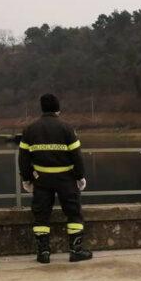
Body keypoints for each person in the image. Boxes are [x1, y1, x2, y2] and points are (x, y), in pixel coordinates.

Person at [18, 93, 91, 264]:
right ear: (58, 108)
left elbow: (23, 158)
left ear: (42, 108)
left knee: (41, 215)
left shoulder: (30, 129)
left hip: (41, 180)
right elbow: (77, 156)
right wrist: (80, 176)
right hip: (66, 179)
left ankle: (43, 253)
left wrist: (27, 178)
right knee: (73, 213)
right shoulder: (67, 128)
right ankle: (76, 250)